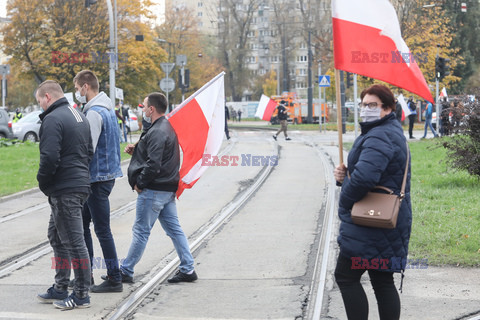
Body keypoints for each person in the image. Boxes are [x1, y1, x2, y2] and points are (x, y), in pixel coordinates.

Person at [333, 84, 411, 320]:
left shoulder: (380, 135)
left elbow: (365, 178)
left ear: (388, 108)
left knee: (346, 276)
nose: (366, 110)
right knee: (382, 279)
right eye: (364, 105)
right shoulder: (387, 131)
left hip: (369, 221)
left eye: (372, 105)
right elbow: (373, 172)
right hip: (384, 218)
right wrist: (344, 175)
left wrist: (345, 198)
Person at [118, 92, 197, 284]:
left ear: (151, 109)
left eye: (144, 106)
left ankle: (126, 270)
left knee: (141, 231)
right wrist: (137, 149)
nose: (142, 109)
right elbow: (156, 154)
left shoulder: (158, 131)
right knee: (174, 230)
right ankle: (188, 269)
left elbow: (153, 165)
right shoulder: (165, 127)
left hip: (153, 190)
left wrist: (140, 183)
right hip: (167, 189)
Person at [35, 80, 93, 310]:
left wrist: (43, 182)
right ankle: (60, 286)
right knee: (57, 236)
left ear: (47, 97)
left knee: (74, 241)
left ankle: (81, 294)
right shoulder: (78, 115)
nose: (39, 105)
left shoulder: (52, 119)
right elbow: (89, 151)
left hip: (65, 188)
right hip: (78, 184)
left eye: (39, 100)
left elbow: (49, 157)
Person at [73, 70, 124, 293]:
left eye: (77, 89)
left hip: (95, 179)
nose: (77, 93)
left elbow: (88, 148)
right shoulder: (107, 109)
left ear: (86, 87)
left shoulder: (94, 113)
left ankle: (114, 277)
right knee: (85, 225)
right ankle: (87, 276)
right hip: (106, 175)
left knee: (101, 229)